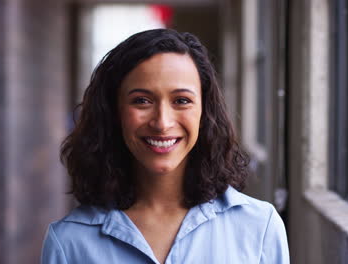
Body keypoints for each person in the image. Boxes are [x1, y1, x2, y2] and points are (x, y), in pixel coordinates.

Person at [41, 28, 289, 264]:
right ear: (114, 112)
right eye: (142, 101)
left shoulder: (260, 226)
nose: (162, 122)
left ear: (204, 111)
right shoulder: (69, 242)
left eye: (181, 100)